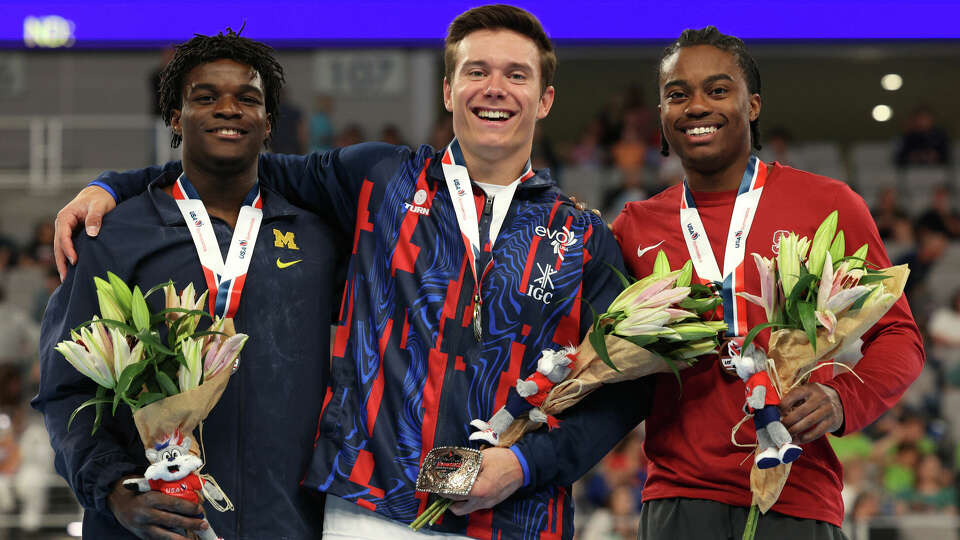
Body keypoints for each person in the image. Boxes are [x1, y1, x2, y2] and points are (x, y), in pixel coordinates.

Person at [50, 6, 651, 539]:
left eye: (516, 75)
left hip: (515, 518)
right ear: (448, 90)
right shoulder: (379, 179)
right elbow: (229, 157)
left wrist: (525, 465)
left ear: (545, 99)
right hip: (369, 515)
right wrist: (114, 187)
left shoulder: (582, 238)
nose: (494, 89)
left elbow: (627, 387)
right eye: (477, 71)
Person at [611, 27, 924, 538]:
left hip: (799, 493)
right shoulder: (634, 227)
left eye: (717, 90)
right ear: (662, 116)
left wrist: (844, 399)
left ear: (752, 104)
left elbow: (900, 337)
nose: (696, 106)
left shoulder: (828, 204)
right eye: (677, 94)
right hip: (678, 499)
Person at [33, 30, 341, 539]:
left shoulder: (318, 236)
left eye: (248, 99)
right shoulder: (114, 234)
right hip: (149, 524)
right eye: (205, 97)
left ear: (268, 124)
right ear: (176, 118)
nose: (228, 109)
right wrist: (114, 491)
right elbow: (66, 390)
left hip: (287, 524)